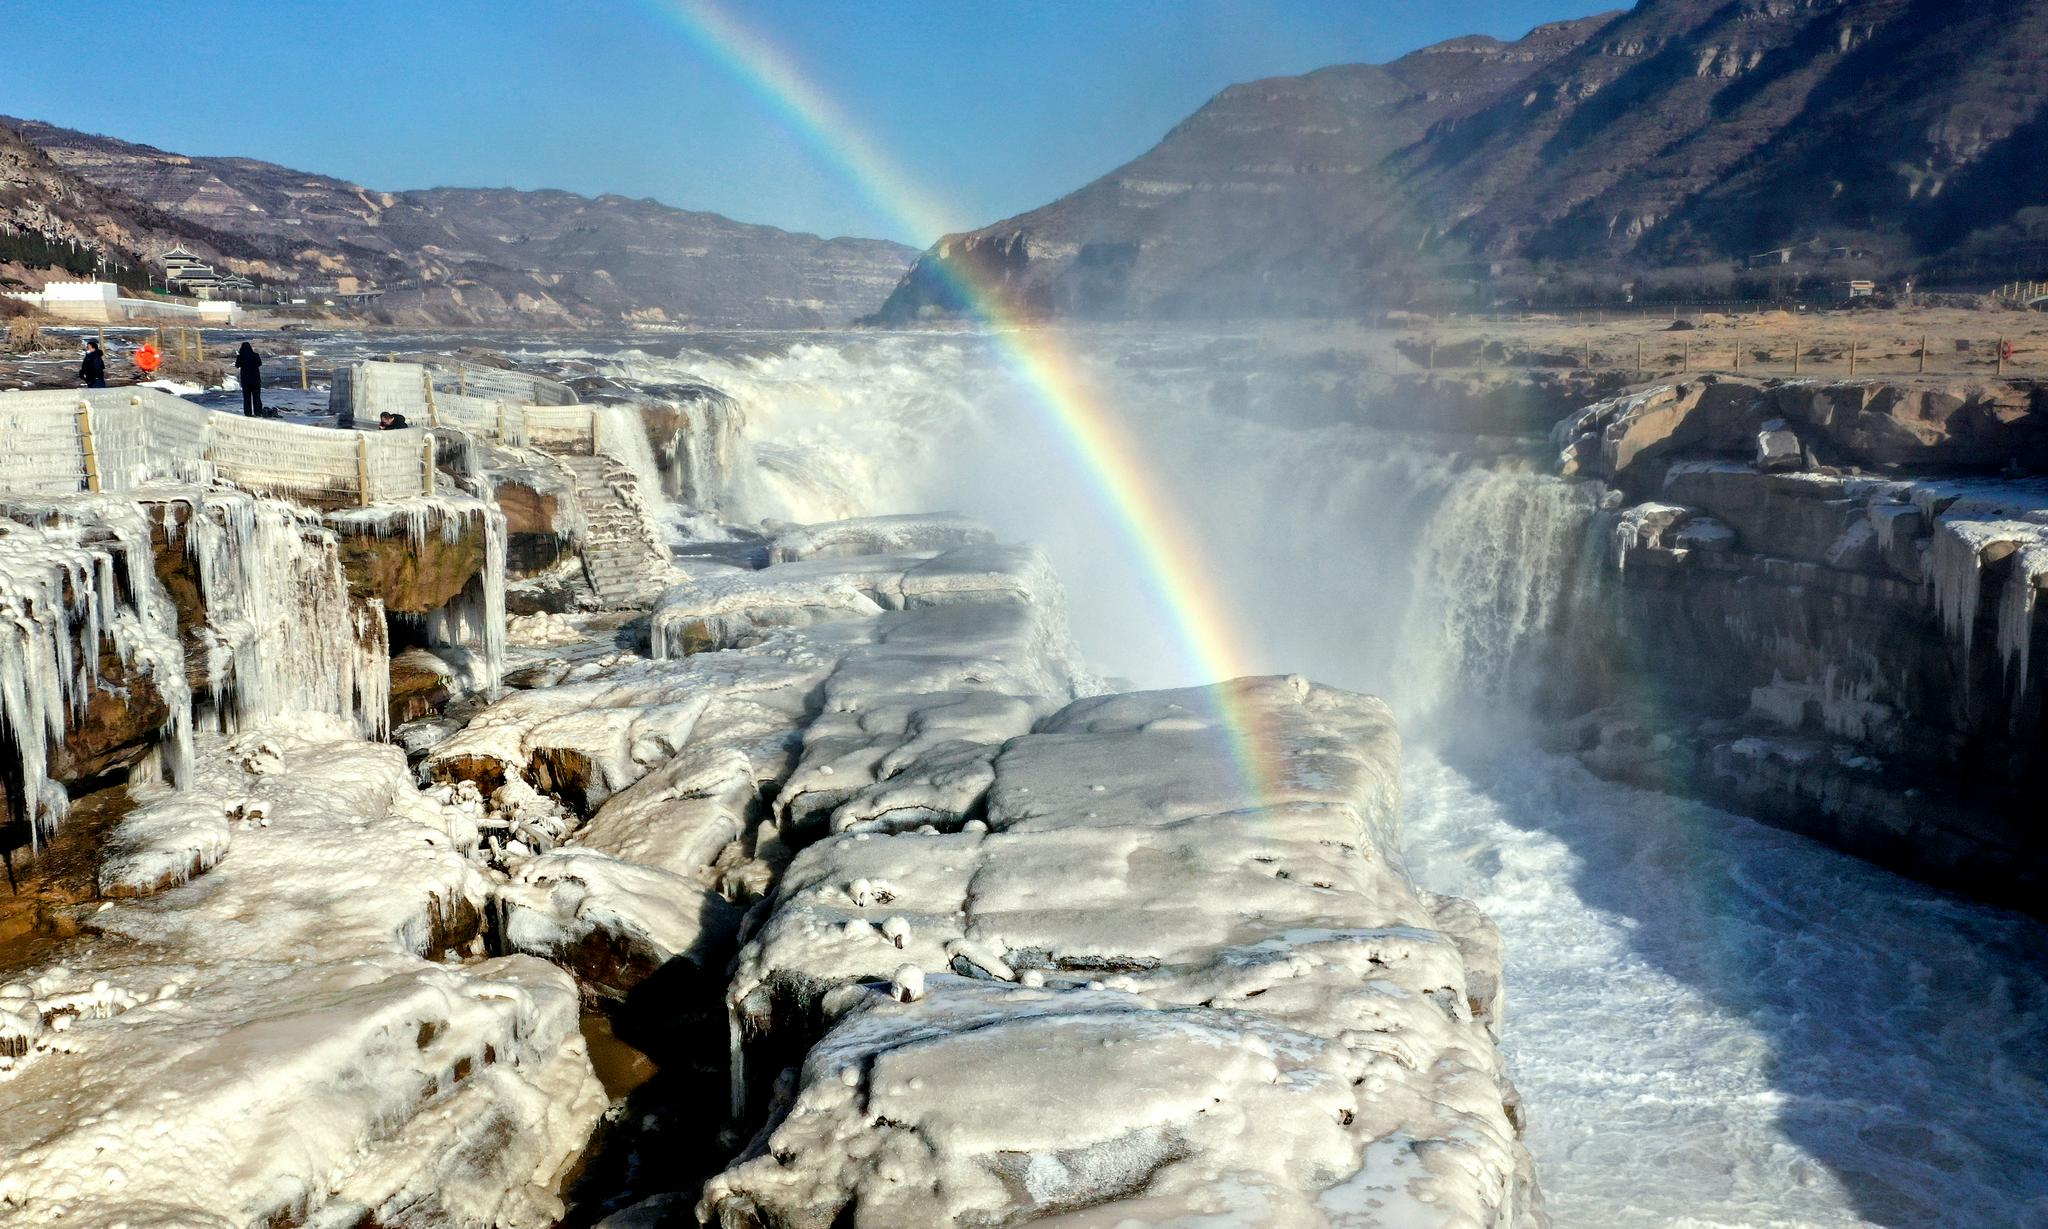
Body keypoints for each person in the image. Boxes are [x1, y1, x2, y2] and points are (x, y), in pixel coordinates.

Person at [234, 341, 265, 417]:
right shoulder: (255, 355)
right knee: (257, 397)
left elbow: (237, 365)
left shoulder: (240, 356)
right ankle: (258, 412)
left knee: (247, 398)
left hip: (246, 381)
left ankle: (248, 413)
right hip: (256, 380)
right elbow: (259, 363)